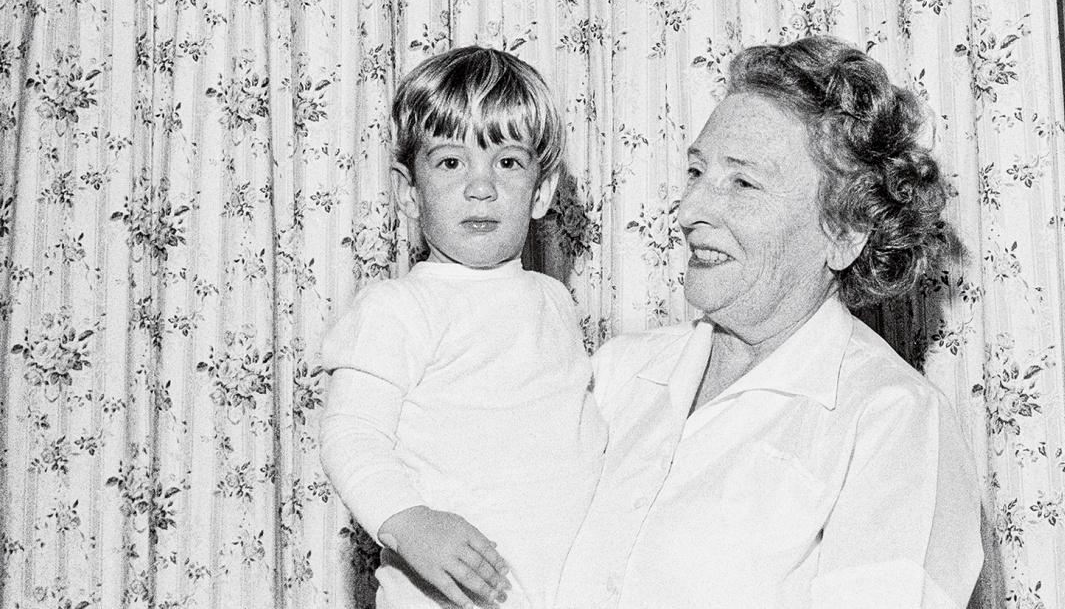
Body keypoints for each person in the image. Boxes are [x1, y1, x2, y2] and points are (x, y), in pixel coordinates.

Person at [555, 36, 983, 609]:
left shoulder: (893, 419)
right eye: (696, 172)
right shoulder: (615, 373)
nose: (689, 212)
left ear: (844, 232)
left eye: (743, 182)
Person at [320, 47, 607, 609]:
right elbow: (351, 434)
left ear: (542, 190)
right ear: (409, 191)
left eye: (507, 162)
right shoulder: (397, 307)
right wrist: (409, 522)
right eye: (452, 163)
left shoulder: (555, 301)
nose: (482, 186)